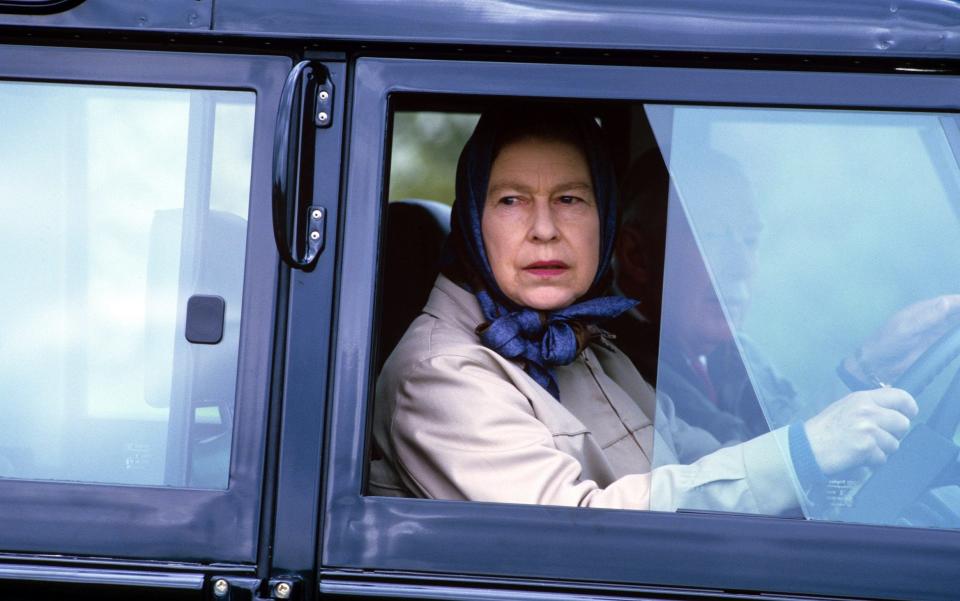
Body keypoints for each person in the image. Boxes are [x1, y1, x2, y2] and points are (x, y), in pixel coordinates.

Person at [369, 104, 918, 513]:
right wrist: (802, 455)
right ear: (472, 220)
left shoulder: (588, 346)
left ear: (601, 220)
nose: (543, 230)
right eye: (511, 201)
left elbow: (721, 454)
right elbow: (573, 535)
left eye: (570, 199)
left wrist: (858, 389)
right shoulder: (439, 374)